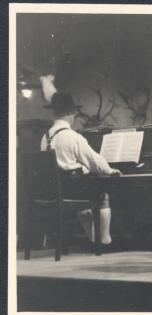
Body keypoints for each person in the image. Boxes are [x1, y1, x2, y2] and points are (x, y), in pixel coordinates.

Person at [40, 92, 121, 245]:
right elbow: (93, 161)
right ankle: (104, 240)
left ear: (54, 113)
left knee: (84, 201)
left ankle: (93, 238)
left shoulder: (45, 138)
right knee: (102, 197)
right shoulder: (73, 137)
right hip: (72, 188)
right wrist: (109, 170)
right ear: (72, 113)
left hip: (51, 190)